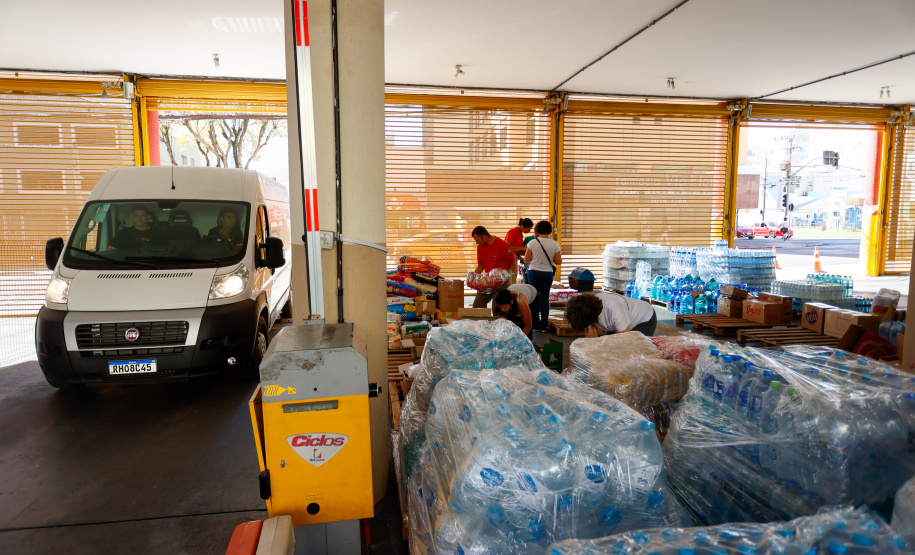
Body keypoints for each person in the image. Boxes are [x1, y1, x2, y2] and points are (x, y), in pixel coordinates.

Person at [524, 220, 561, 333]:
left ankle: (535, 325)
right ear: (549, 230)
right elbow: (558, 261)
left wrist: (534, 258)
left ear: (537, 230)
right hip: (547, 273)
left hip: (534, 273)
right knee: (545, 299)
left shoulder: (532, 243)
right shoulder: (555, 244)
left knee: (534, 298)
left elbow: (526, 260)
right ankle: (544, 326)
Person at [565, 292, 657, 337]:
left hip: (643, 318)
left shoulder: (613, 309)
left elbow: (627, 341)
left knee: (634, 353)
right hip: (619, 323)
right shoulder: (587, 308)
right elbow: (591, 338)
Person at [471, 225, 516, 308]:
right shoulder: (480, 247)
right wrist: (472, 278)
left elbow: (512, 264)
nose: (477, 243)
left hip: (501, 281)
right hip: (488, 279)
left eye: (477, 240)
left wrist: (506, 277)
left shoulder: (503, 245)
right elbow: (480, 266)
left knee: (497, 307)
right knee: (478, 305)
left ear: (485, 237)